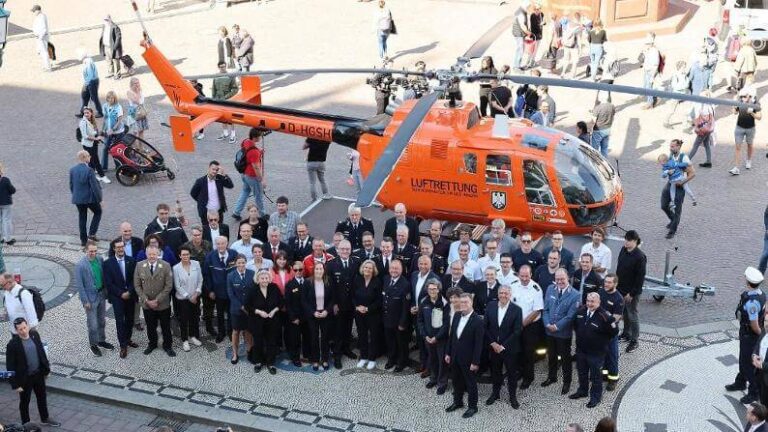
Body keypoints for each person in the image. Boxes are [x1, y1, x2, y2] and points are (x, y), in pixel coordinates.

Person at [5, 318, 60, 427]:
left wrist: (46, 370)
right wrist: (15, 385)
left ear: (28, 326)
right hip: (25, 379)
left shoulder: (35, 335)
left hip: (38, 374)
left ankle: (45, 418)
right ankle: (26, 424)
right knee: (25, 402)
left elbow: (41, 353)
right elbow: (10, 366)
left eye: (25, 328)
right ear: (16, 331)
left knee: (42, 397)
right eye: (20, 329)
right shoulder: (13, 345)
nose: (23, 331)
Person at [570, 292, 617, 408]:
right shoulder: (580, 312)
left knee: (596, 376)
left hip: (596, 353)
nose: (589, 304)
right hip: (581, 351)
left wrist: (601, 341)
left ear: (598, 302)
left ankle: (595, 397)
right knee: (582, 373)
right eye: (588, 301)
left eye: (592, 301)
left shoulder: (605, 316)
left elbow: (614, 332)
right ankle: (582, 390)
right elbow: (575, 325)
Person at [726, 266, 766, 404]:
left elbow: (754, 324)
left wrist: (761, 336)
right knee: (743, 359)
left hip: (750, 335)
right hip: (747, 334)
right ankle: (741, 381)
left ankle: (754, 392)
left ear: (748, 282)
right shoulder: (761, 294)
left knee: (747, 363)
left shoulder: (752, 302)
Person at [444, 293, 485, 419]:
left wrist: (475, 362)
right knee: (456, 381)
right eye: (461, 302)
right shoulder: (456, 315)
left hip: (469, 360)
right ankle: (458, 402)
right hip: (455, 356)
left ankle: (473, 407)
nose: (463, 304)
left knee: (471, 384)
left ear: (471, 302)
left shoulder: (478, 320)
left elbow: (479, 344)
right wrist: (448, 352)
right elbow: (452, 337)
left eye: (466, 302)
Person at [542, 269, 580, 394]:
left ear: (568, 277)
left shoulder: (575, 294)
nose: (559, 281)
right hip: (549, 331)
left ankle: (567, 382)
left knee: (565, 359)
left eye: (562, 279)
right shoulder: (550, 289)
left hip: (563, 333)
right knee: (551, 356)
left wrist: (557, 326)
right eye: (557, 279)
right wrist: (547, 323)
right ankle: (552, 377)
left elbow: (570, 316)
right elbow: (546, 309)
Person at [485, 285, 523, 409]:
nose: (503, 295)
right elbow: (485, 327)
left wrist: (503, 346)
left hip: (510, 349)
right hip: (493, 348)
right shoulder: (490, 306)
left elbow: (517, 331)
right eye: (501, 293)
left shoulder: (517, 309)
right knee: (495, 372)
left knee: (512, 374)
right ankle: (495, 393)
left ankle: (512, 397)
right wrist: (493, 343)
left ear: (510, 295)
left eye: (506, 293)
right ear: (498, 294)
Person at [75, 240, 114, 357]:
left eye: (95, 251)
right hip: (90, 298)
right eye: (91, 251)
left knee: (101, 320)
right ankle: (93, 344)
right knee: (92, 324)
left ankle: (101, 340)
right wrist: (85, 301)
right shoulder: (81, 265)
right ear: (86, 250)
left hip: (101, 294)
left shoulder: (100, 259)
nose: (93, 253)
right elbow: (80, 286)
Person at [135, 246, 175, 357]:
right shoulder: (139, 266)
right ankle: (152, 344)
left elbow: (169, 285)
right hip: (147, 304)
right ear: (146, 254)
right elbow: (137, 285)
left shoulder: (166, 266)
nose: (152, 256)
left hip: (162, 304)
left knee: (165, 326)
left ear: (158, 254)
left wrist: (157, 300)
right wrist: (146, 300)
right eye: (150, 254)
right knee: (150, 326)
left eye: (154, 254)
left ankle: (168, 346)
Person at [103, 239, 138, 358]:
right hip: (117, 297)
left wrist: (130, 291)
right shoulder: (108, 263)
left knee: (130, 319)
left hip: (130, 295)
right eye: (118, 247)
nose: (120, 249)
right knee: (120, 321)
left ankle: (128, 339)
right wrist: (121, 294)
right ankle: (123, 345)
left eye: (122, 247)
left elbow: (135, 278)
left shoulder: (131, 261)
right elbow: (108, 283)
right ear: (114, 249)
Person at [511, 265, 543, 389]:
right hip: (516, 324)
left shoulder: (536, 289)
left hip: (530, 325)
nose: (524, 278)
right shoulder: (513, 285)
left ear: (531, 275)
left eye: (527, 276)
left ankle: (528, 377)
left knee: (528, 352)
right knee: (517, 350)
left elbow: (537, 311)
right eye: (522, 276)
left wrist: (522, 324)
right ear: (518, 275)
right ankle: (519, 371)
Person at [615, 230, 646, 353]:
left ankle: (634, 340)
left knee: (632, 314)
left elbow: (640, 278)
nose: (626, 242)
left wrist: (632, 294)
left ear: (635, 241)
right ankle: (626, 333)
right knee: (624, 313)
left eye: (629, 240)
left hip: (631, 292)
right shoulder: (623, 250)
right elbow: (619, 267)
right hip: (620, 288)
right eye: (625, 239)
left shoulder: (640, 257)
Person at [247, 270, 282, 374]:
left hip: (272, 320)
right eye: (262, 278)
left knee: (271, 342)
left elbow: (281, 302)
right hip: (257, 321)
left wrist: (274, 310)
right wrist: (258, 312)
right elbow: (247, 305)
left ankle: (270, 363)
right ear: (258, 279)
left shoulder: (274, 287)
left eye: (266, 278)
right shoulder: (253, 289)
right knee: (258, 342)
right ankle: (258, 362)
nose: (265, 280)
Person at [204, 237, 238, 342]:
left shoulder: (234, 254)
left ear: (227, 243)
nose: (221, 246)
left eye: (223, 243)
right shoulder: (210, 256)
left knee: (231, 313)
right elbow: (206, 275)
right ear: (215, 245)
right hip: (218, 292)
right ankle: (221, 333)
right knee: (219, 314)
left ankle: (230, 332)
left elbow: (237, 271)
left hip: (231, 291)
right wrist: (210, 290)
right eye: (218, 244)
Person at [302, 261, 334, 370]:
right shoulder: (307, 282)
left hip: (325, 314)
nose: (319, 271)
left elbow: (333, 299)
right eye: (317, 269)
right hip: (313, 314)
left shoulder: (328, 281)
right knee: (314, 337)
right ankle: (315, 360)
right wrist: (312, 312)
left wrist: (327, 311)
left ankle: (325, 359)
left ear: (324, 270)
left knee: (325, 337)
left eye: (321, 269)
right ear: (313, 270)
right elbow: (304, 300)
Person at [418, 279, 450, 388]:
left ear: (438, 289)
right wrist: (425, 335)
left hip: (440, 338)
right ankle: (433, 378)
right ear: (427, 289)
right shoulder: (423, 302)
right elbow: (420, 320)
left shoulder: (444, 303)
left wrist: (437, 337)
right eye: (430, 288)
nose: (432, 290)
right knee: (432, 359)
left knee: (442, 361)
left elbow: (446, 323)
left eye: (434, 288)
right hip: (428, 338)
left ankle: (442, 383)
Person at [661, 139, 694, 238]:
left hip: (679, 186)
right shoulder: (671, 156)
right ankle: (673, 220)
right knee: (663, 205)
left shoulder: (684, 158)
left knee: (677, 209)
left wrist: (682, 182)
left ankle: (672, 230)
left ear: (678, 147)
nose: (670, 148)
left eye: (672, 146)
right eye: (670, 146)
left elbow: (692, 173)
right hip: (670, 183)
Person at [382, 259, 411, 372]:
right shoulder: (386, 279)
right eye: (392, 268)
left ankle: (401, 362)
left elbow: (405, 306)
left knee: (401, 343)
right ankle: (391, 359)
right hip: (387, 318)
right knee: (390, 341)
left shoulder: (405, 284)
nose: (394, 270)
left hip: (399, 320)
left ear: (401, 270)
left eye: (396, 268)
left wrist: (402, 323)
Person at [69, 150, 103, 246]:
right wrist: (100, 199)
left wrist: (75, 195)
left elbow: (71, 185)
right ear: (83, 158)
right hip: (89, 199)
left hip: (78, 199)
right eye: (88, 156)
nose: (90, 157)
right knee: (98, 212)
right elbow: (95, 186)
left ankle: (83, 241)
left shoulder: (72, 170)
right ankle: (92, 233)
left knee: (82, 217)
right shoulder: (89, 170)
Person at [173, 246, 203, 352]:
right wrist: (189, 297)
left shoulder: (196, 264)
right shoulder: (176, 268)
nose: (185, 256)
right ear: (180, 256)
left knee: (194, 317)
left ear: (190, 255)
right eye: (183, 255)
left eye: (187, 254)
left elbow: (200, 279)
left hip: (195, 297)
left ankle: (193, 336)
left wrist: (197, 292)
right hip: (183, 299)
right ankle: (185, 340)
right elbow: (177, 286)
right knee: (184, 320)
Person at [729, 86, 762, 176]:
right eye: (743, 96)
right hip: (739, 127)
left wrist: (752, 113)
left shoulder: (755, 103)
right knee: (738, 147)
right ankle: (736, 168)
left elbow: (759, 117)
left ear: (750, 96)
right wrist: (734, 106)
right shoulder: (740, 101)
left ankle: (748, 160)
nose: (744, 98)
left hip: (750, 128)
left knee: (750, 145)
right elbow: (734, 112)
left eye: (746, 96)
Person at [599, 274, 624, 391]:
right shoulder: (601, 292)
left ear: (615, 284)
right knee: (602, 354)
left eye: (609, 282)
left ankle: (613, 379)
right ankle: (604, 374)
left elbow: (616, 318)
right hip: (600, 331)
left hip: (610, 333)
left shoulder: (618, 299)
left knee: (612, 356)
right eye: (605, 282)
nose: (606, 284)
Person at [285, 260, 310, 367]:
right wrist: (293, 317)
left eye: (300, 269)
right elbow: (288, 303)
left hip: (307, 316)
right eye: (296, 270)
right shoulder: (290, 285)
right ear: (293, 271)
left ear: (303, 270)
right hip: (295, 317)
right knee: (294, 339)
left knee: (307, 337)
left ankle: (307, 355)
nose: (298, 271)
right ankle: (295, 357)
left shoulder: (309, 282)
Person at [78, 108, 110, 183]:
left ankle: (93, 175)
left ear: (91, 113)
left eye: (87, 113)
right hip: (88, 145)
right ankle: (102, 176)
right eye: (85, 113)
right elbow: (85, 136)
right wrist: (96, 139)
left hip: (93, 144)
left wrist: (99, 135)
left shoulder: (92, 121)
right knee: (96, 161)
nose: (86, 114)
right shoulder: (83, 122)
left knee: (91, 160)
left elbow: (93, 132)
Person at [212, 62, 239, 143]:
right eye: (221, 67)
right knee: (222, 118)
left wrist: (227, 97)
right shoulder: (216, 77)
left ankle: (233, 135)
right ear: (218, 67)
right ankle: (225, 133)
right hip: (218, 100)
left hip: (228, 101)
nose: (222, 68)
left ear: (226, 66)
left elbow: (235, 89)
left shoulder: (230, 76)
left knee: (230, 118)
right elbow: (214, 89)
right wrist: (213, 100)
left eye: (224, 66)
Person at [689, 91, 716, 168]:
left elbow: (698, 117)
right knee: (707, 144)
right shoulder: (711, 105)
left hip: (703, 129)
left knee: (695, 145)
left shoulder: (704, 106)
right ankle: (708, 161)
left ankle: (686, 162)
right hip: (708, 129)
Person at [101, 91, 125, 172]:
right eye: (109, 98)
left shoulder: (118, 107)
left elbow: (119, 120)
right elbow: (105, 118)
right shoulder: (105, 106)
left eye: (112, 98)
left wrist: (113, 129)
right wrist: (103, 129)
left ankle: (118, 167)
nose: (110, 99)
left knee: (117, 150)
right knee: (105, 149)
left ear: (115, 98)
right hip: (108, 132)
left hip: (118, 133)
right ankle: (104, 167)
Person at [77, 51, 103, 118]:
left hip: (91, 82)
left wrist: (86, 84)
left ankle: (100, 112)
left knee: (93, 98)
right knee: (86, 97)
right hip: (91, 82)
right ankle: (82, 112)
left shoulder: (88, 62)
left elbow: (90, 76)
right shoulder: (88, 61)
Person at [664, 61, 690, 128]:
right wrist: (684, 86)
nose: (684, 69)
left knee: (685, 111)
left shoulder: (684, 75)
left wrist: (686, 84)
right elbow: (675, 86)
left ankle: (685, 126)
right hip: (676, 95)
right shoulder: (675, 76)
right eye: (683, 67)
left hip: (683, 95)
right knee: (671, 111)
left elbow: (688, 83)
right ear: (679, 67)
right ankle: (666, 122)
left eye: (685, 67)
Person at [640, 32, 661, 109]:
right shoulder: (647, 49)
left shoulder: (654, 51)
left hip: (650, 71)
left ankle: (650, 103)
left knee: (649, 87)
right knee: (646, 86)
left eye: (647, 37)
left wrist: (652, 75)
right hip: (646, 69)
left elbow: (655, 64)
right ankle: (653, 98)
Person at [591, 91, 614, 157]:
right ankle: (605, 161)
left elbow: (593, 121)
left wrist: (590, 129)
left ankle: (594, 163)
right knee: (604, 148)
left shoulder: (598, 108)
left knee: (594, 149)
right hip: (608, 129)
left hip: (598, 130)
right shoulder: (611, 106)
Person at [511, 0, 531, 71]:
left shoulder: (521, 11)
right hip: (519, 33)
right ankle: (516, 67)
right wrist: (528, 32)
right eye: (528, 6)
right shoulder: (521, 13)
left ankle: (518, 65)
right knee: (520, 50)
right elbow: (522, 25)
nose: (529, 8)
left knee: (520, 49)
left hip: (519, 33)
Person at [30, 5, 51, 72]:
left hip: (42, 37)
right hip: (40, 37)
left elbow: (44, 28)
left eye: (34, 11)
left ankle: (48, 67)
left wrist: (40, 37)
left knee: (44, 52)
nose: (33, 12)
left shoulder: (41, 17)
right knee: (42, 52)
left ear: (38, 10)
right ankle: (46, 66)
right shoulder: (39, 16)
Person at [524, 2, 544, 69]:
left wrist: (543, 23)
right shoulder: (532, 15)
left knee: (535, 50)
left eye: (539, 8)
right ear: (534, 9)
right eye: (537, 9)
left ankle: (531, 62)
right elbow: (534, 26)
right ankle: (528, 62)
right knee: (532, 50)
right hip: (534, 35)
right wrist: (540, 24)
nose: (538, 10)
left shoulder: (542, 14)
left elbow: (542, 23)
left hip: (539, 35)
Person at [0, 163, 16, 245]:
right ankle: (8, 239)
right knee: (6, 220)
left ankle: (1, 238)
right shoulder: (5, 180)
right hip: (6, 203)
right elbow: (12, 190)